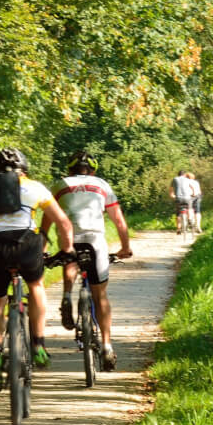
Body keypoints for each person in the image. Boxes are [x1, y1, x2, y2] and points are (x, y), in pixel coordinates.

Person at [0, 148, 75, 391]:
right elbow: (63, 223)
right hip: (27, 245)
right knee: (36, 286)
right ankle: (38, 345)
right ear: (24, 168)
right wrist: (67, 249)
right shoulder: (36, 187)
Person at [42, 150, 133, 370]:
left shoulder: (59, 185)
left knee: (69, 256)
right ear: (92, 170)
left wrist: (42, 250)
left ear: (70, 169)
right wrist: (125, 247)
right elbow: (119, 221)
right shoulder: (102, 185)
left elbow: (46, 223)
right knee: (100, 294)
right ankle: (107, 346)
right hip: (95, 240)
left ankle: (66, 296)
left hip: (70, 239)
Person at [170, 170, 196, 235]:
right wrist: (193, 193)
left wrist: (172, 195)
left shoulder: (174, 179)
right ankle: (189, 219)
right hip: (187, 198)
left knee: (178, 214)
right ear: (184, 174)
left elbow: (171, 190)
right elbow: (192, 187)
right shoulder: (187, 179)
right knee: (189, 208)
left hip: (178, 198)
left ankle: (178, 229)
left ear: (178, 174)